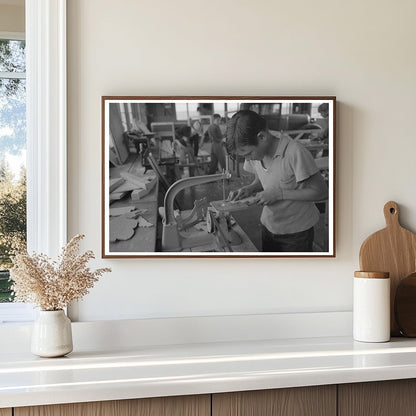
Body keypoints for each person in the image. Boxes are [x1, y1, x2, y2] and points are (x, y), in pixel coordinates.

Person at [226, 110, 328, 252]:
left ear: (262, 137)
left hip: (296, 233)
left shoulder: (294, 152)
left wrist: (279, 194)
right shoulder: (257, 154)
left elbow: (321, 192)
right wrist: (250, 188)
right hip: (269, 226)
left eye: (248, 153)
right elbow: (264, 179)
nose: (248, 159)